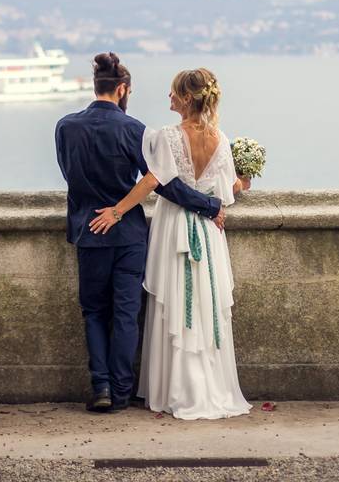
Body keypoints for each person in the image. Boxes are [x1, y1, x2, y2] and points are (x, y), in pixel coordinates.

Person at [55, 53, 226, 413]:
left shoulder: (65, 127)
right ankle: (121, 392)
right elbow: (161, 183)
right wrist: (208, 205)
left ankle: (100, 386)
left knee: (95, 313)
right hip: (130, 235)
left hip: (89, 232)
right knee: (126, 314)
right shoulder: (135, 130)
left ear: (96, 86)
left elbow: (69, 174)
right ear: (122, 90)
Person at [88, 68, 252, 420]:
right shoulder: (221, 140)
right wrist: (246, 180)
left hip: (175, 226)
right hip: (207, 232)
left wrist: (117, 211)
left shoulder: (168, 136)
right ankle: (208, 387)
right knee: (203, 308)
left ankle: (177, 389)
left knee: (176, 304)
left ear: (187, 98)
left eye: (173, 93)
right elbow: (227, 193)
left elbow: (153, 180)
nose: (169, 98)